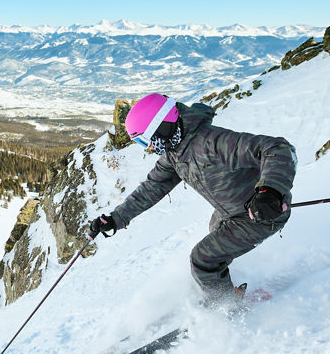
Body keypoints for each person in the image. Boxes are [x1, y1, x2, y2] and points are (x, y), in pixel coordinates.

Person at [89, 93, 296, 310]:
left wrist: (270, 191)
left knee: (203, 259)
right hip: (231, 213)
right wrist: (116, 218)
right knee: (213, 242)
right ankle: (220, 291)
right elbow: (151, 188)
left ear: (162, 127)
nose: (148, 148)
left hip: (262, 212)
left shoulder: (211, 142)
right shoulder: (174, 154)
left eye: (146, 139)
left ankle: (228, 308)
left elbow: (277, 149)